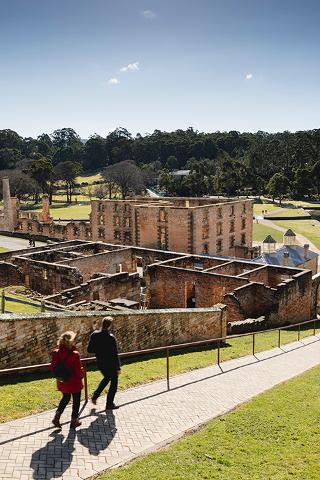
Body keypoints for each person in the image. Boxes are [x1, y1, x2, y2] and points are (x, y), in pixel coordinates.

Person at [51, 331, 84, 429]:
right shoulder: (75, 354)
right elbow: (78, 371)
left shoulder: (56, 353)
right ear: (71, 342)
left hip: (62, 381)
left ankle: (56, 417)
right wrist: (82, 375)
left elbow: (53, 367)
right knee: (76, 400)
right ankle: (74, 421)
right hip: (74, 382)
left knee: (65, 398)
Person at [87, 317, 121, 410]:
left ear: (102, 324)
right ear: (110, 325)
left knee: (107, 378)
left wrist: (99, 349)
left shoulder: (94, 335)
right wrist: (118, 367)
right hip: (110, 363)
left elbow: (89, 349)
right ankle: (109, 404)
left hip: (100, 362)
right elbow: (115, 354)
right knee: (114, 382)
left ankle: (95, 396)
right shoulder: (111, 338)